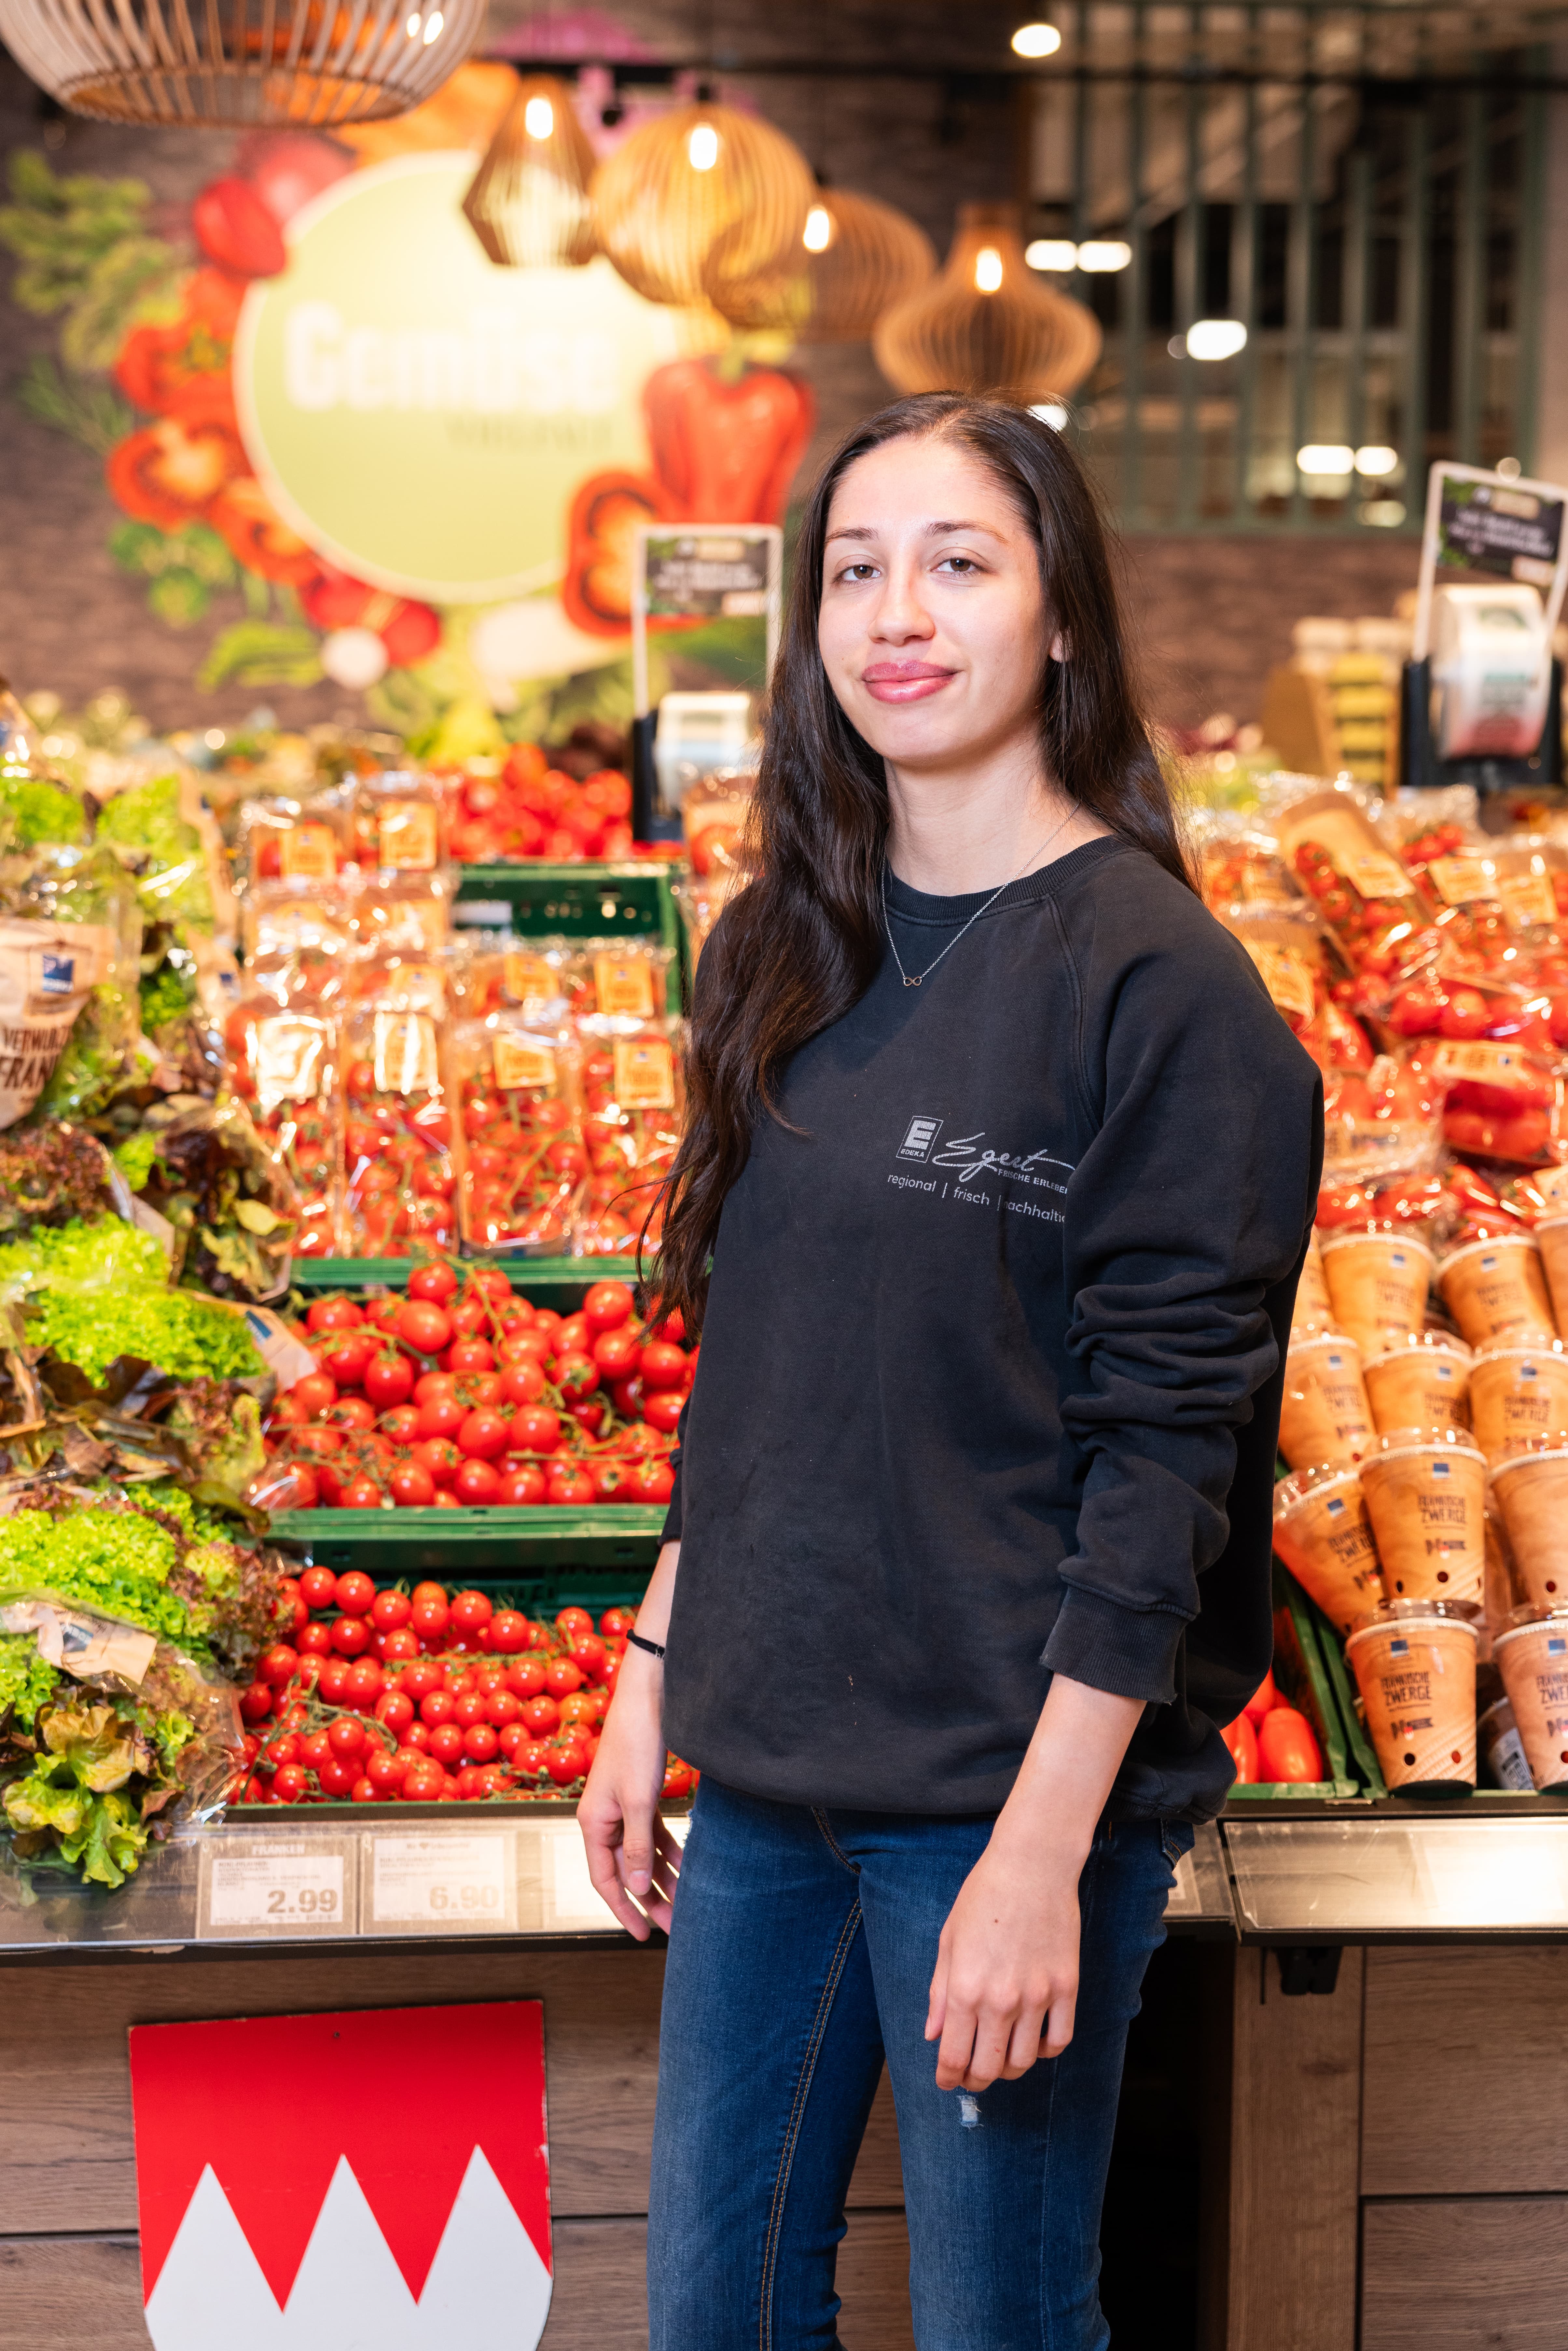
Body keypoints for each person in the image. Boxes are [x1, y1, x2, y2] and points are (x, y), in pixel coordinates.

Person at [578, 392, 1323, 2350]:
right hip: (770, 1777)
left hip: (1002, 1787)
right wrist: (657, 1670)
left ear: (1060, 613)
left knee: (1001, 2323)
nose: (895, 614)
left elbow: (1168, 1471)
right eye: (854, 568)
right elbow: (760, 1366)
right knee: (716, 2318)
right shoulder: (780, 945)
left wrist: (1039, 1860)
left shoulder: (1161, 992)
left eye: (958, 561)